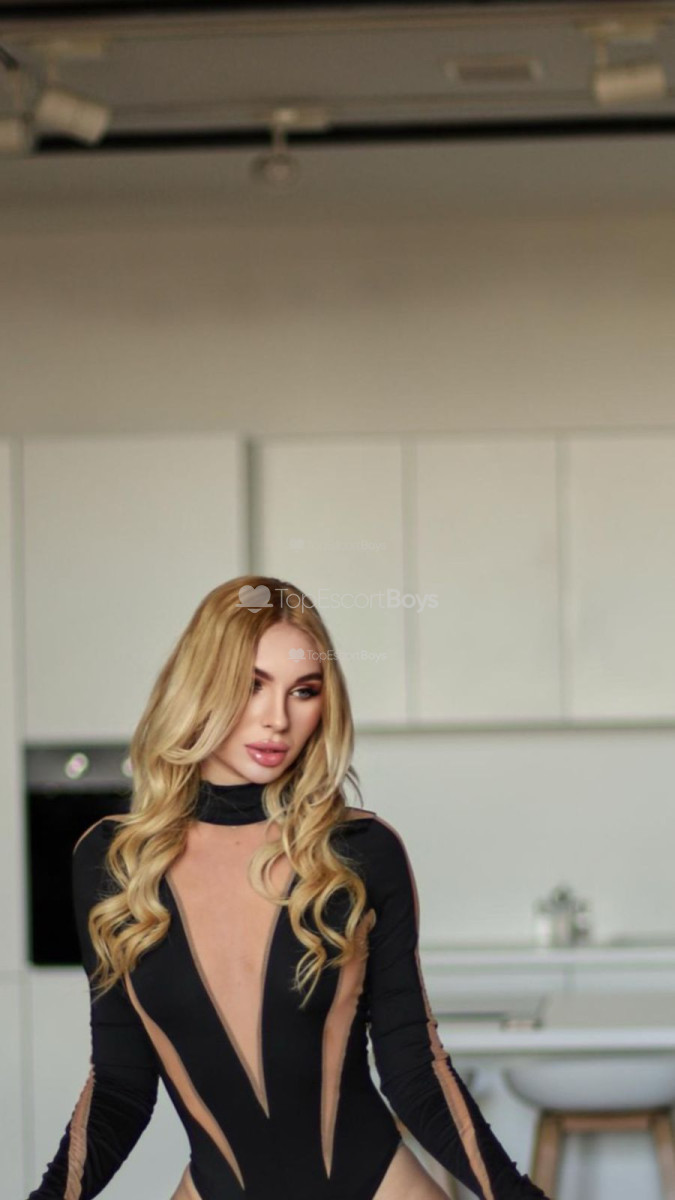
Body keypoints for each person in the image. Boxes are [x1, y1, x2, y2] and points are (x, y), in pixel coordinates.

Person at [28, 576, 550, 1200]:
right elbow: (120, 1086)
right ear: (201, 683)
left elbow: (415, 1069)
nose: (277, 719)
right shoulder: (115, 864)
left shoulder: (359, 851)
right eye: (252, 684)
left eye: (303, 691)